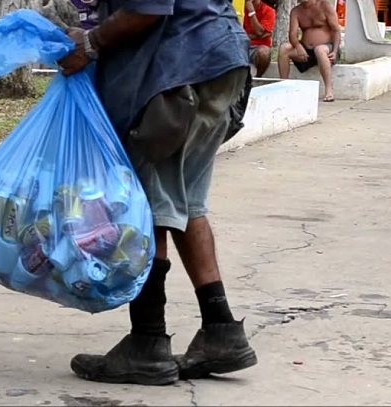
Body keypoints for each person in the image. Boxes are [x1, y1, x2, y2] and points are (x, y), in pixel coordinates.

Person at [57, 0, 258, 386]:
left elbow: (148, 7)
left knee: (147, 207)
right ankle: (221, 331)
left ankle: (147, 342)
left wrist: (90, 43)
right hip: (214, 62)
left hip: (179, 73)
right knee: (185, 202)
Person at [277, 0, 341, 102]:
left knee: (319, 50)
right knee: (284, 48)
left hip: (326, 47)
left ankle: (329, 90)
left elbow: (336, 30)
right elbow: (292, 34)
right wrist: (298, 46)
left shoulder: (324, 5)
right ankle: (283, 85)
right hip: (306, 51)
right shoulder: (296, 11)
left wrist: (335, 50)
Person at [244, 0, 277, 77]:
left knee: (264, 53)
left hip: (258, 47)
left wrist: (251, 11)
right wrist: (258, 35)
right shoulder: (239, 9)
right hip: (241, 45)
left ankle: (258, 78)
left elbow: (259, 32)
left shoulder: (269, 10)